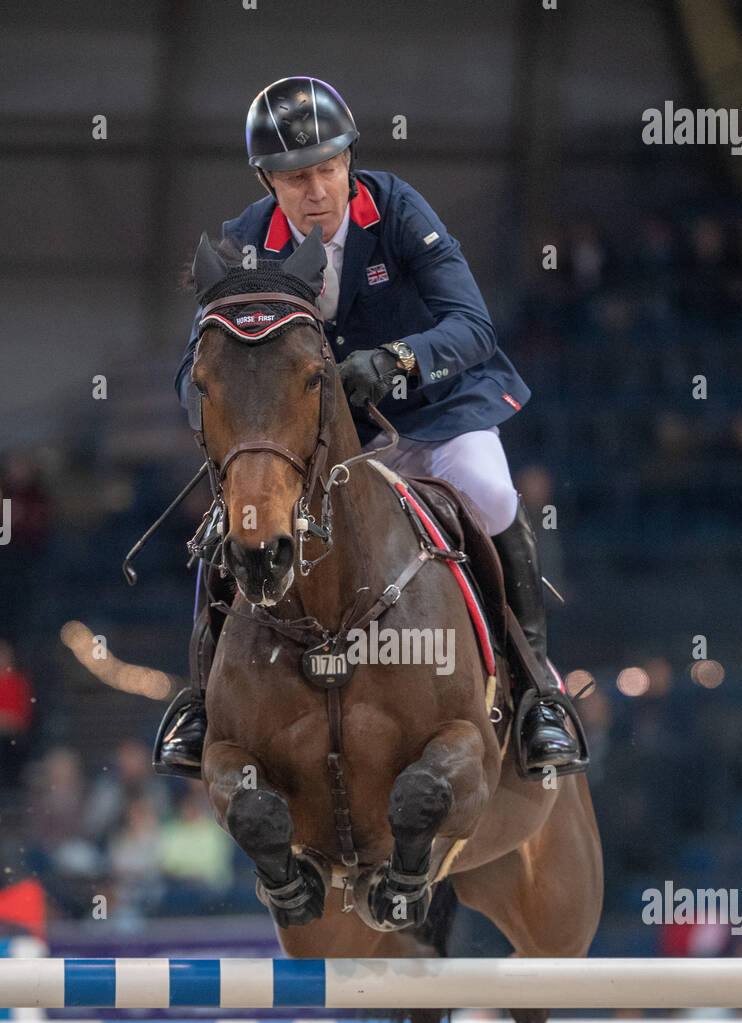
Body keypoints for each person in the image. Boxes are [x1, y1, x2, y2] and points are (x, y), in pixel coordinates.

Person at [155, 75, 582, 780]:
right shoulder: (243, 245)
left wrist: (398, 361)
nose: (317, 190)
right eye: (296, 178)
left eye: (328, 168)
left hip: (440, 408)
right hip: (332, 438)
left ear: (348, 161)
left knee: (490, 490)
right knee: (238, 522)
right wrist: (218, 413)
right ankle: (202, 700)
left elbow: (472, 326)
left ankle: (539, 690)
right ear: (267, 178)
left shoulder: (397, 211)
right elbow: (193, 365)